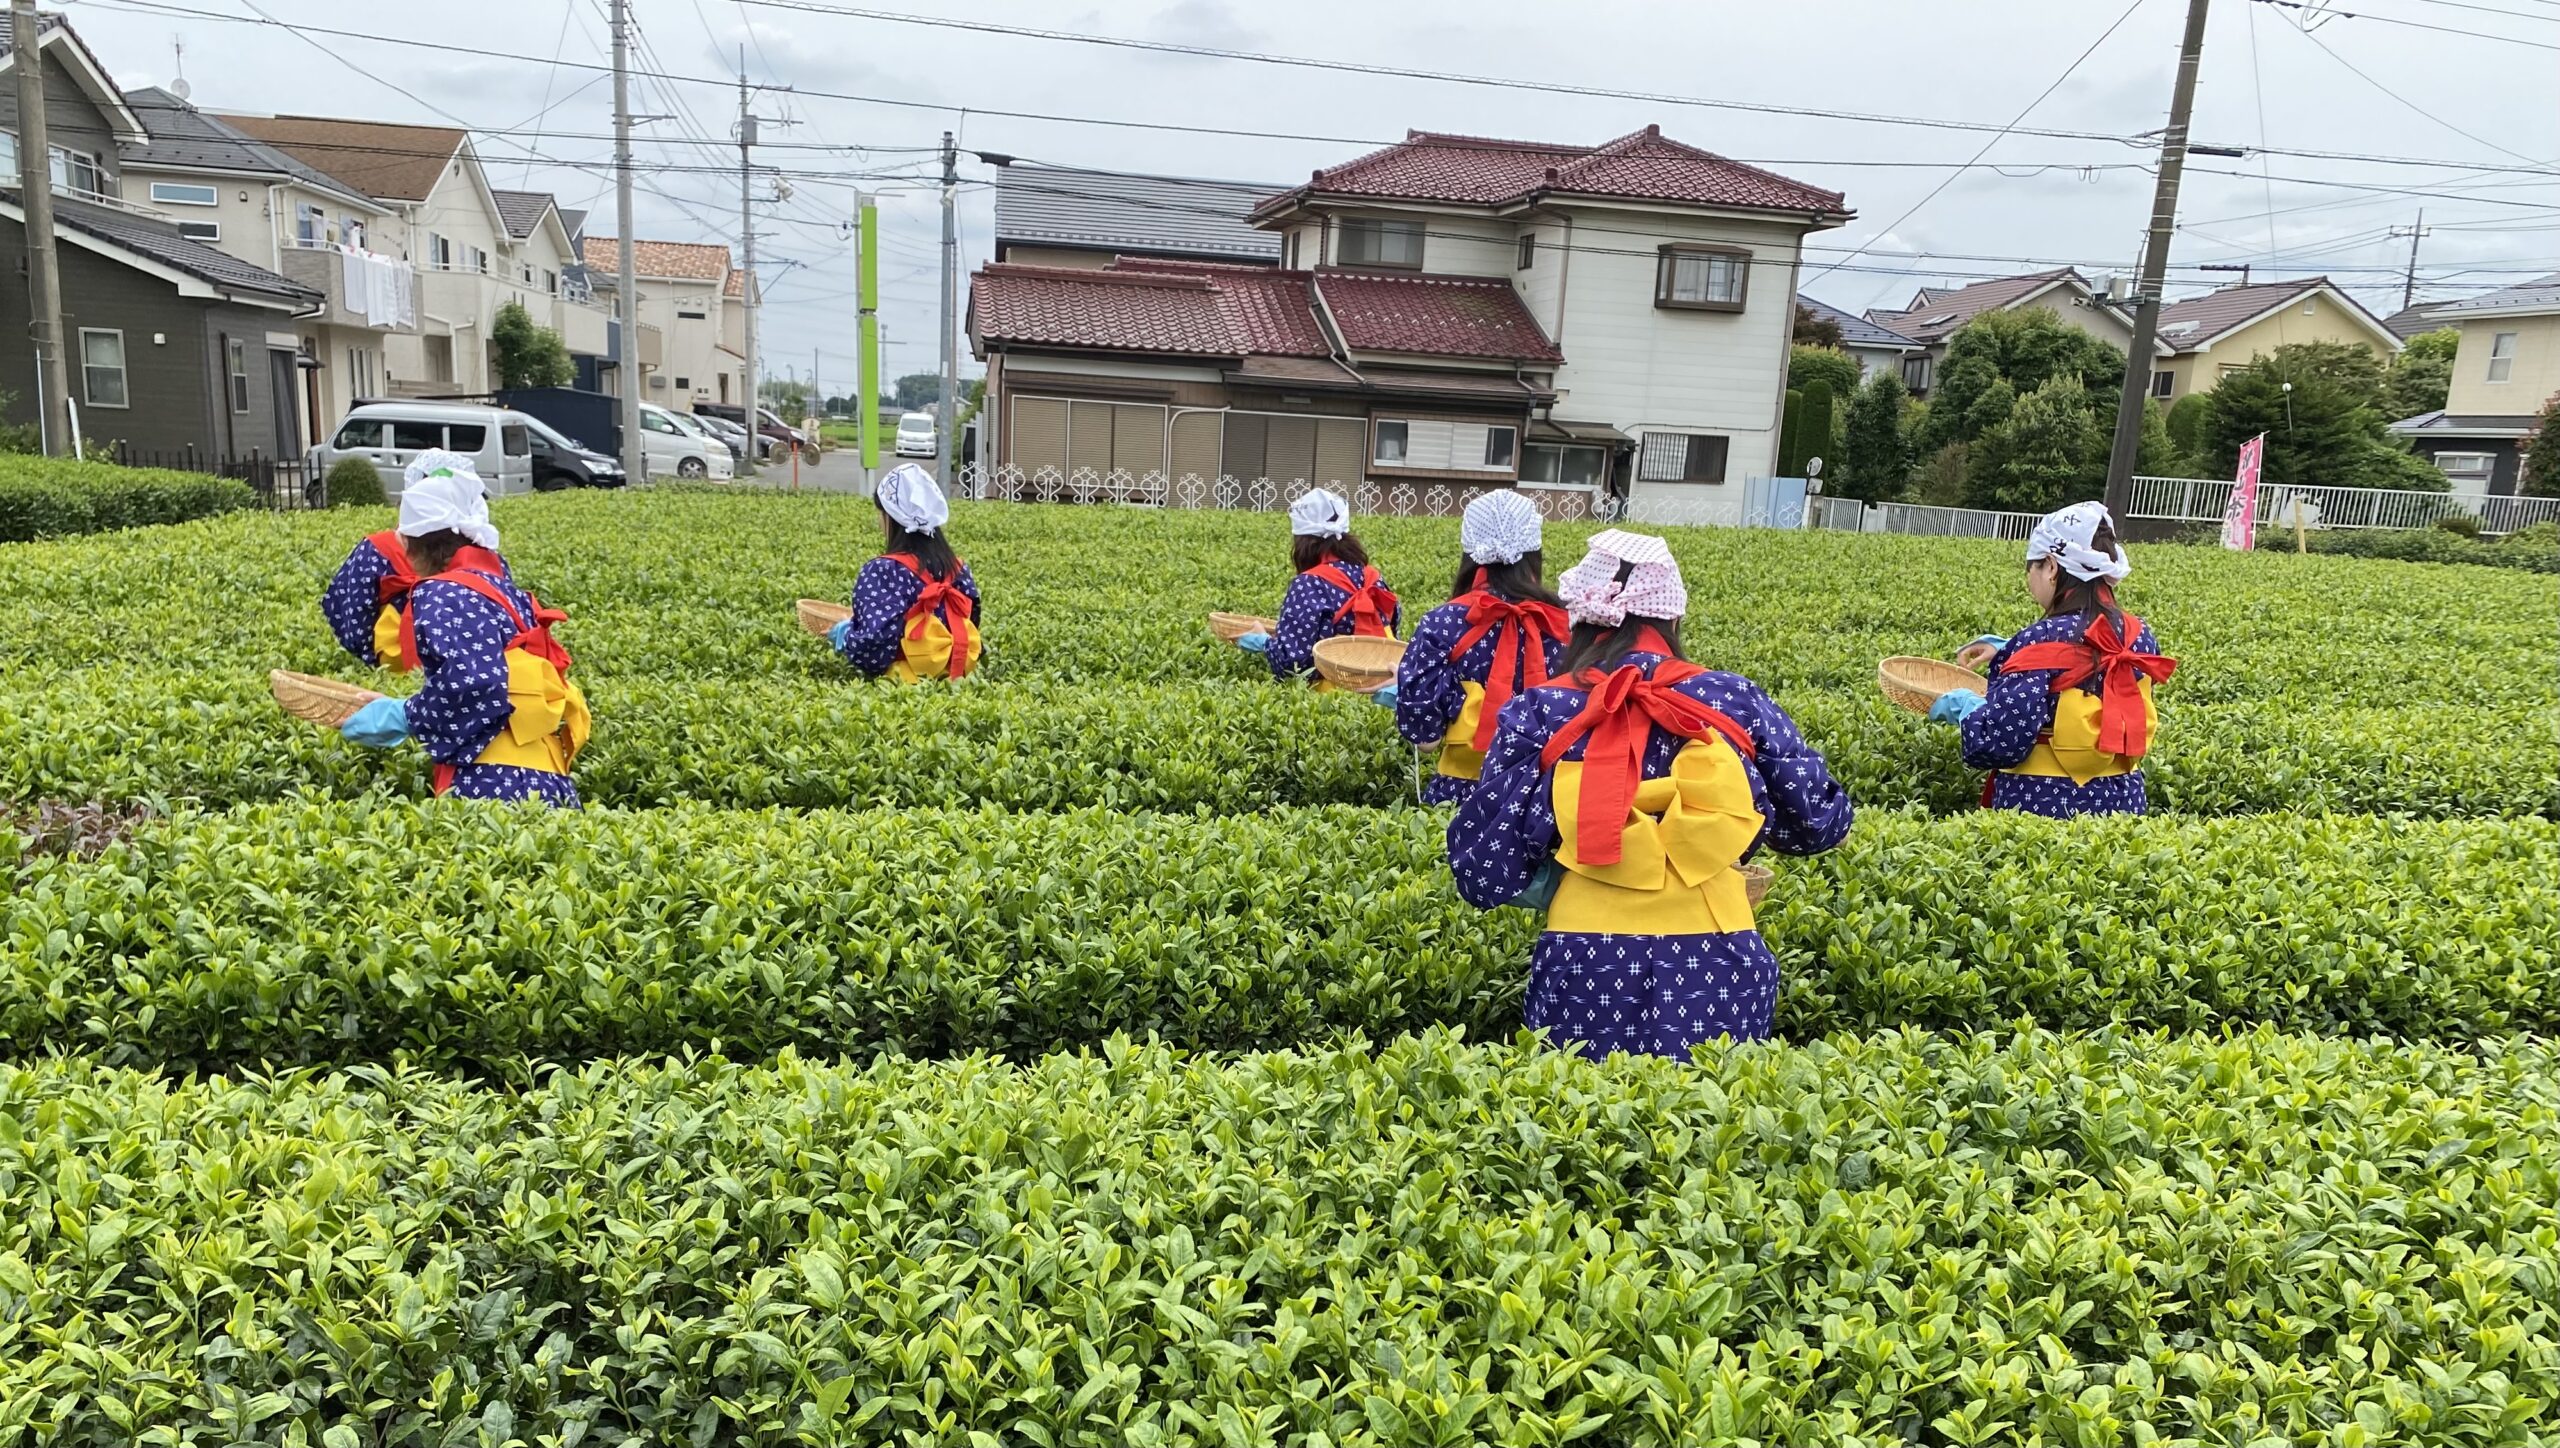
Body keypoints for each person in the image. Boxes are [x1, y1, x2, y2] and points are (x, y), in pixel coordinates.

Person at [1448, 530, 1852, 1058]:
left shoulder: (1540, 711)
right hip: (1722, 957)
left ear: (1581, 620)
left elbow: (1483, 870)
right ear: (1674, 619)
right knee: (1714, 1121)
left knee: (1587, 1127)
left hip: (1585, 960)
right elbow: (1817, 823)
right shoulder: (1734, 698)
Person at [336, 460, 589, 807]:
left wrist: (407, 715)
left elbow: (475, 681)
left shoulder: (444, 592)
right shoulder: (497, 585)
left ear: (415, 542)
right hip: (546, 776)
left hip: (494, 780)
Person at [1930, 501, 2177, 818]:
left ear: (2051, 566)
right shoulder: (2137, 633)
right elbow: (2087, 662)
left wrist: (1968, 708)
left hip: (2045, 810)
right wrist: (2011, 652)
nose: (2028, 578)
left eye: (2031, 566)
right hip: (2123, 807)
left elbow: (2001, 741)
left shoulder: (2040, 638)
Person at [1392, 490, 1569, 805]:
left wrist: (1405, 689)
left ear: (1470, 550)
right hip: (1545, 804)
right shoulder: (1563, 623)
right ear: (1535, 548)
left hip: (1461, 800)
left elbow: (1426, 740)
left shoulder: (1442, 623)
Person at [319, 449, 509, 671]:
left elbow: (349, 615)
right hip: (480, 671)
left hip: (394, 670)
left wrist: (371, 662)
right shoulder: (488, 557)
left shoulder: (375, 550)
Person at [827, 463, 983, 682]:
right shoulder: (957, 568)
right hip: (957, 680)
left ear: (892, 517)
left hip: (904, 687)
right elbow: (971, 620)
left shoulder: (883, 571)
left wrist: (847, 637)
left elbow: (874, 646)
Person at [1238, 487, 1399, 685]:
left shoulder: (1309, 584)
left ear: (1302, 541)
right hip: (1382, 685)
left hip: (1333, 694)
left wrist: (1264, 642)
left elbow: (1294, 664)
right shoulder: (1373, 577)